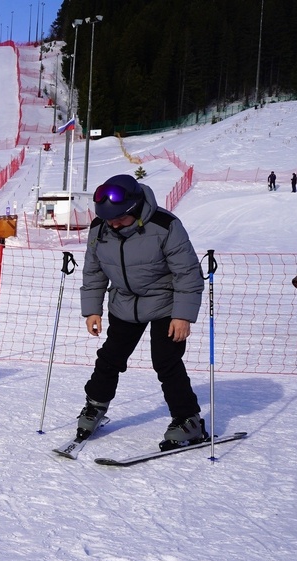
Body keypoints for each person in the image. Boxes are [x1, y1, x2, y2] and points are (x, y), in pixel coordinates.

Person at [77, 174, 208, 449]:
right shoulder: (100, 228)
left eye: (119, 218)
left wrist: (182, 315)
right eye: (108, 218)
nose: (113, 224)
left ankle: (188, 421)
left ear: (134, 208)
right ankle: (95, 406)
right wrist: (92, 310)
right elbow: (94, 270)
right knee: (110, 357)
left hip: (166, 304)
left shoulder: (165, 226)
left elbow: (187, 274)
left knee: (165, 361)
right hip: (124, 302)